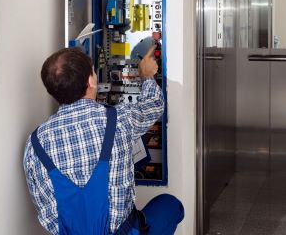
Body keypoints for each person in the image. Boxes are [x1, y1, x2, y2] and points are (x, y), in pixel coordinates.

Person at [23, 46, 183, 234]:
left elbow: (46, 210)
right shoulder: (119, 120)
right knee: (172, 206)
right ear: (91, 80)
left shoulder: (34, 146)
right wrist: (145, 75)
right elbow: (155, 105)